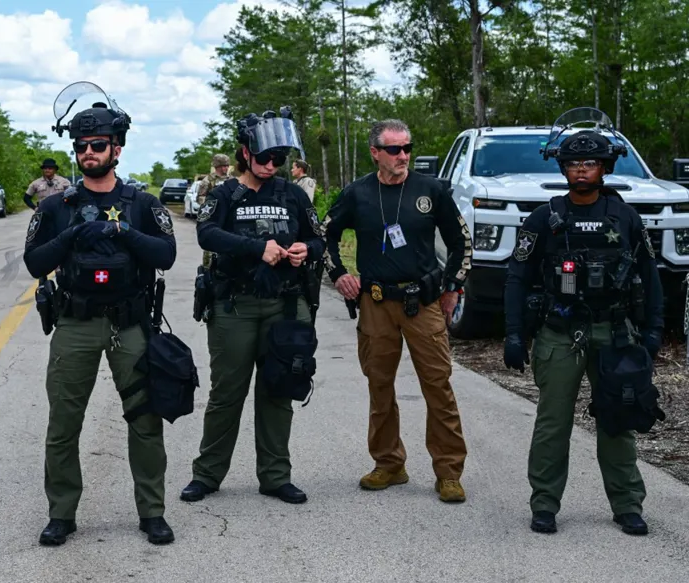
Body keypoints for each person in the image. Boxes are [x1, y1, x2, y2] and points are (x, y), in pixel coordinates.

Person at [24, 97, 178, 546]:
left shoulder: (141, 204)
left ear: (117, 149)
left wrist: (123, 232)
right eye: (81, 146)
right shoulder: (56, 207)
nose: (88, 153)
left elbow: (166, 254)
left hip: (129, 324)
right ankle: (62, 514)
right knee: (64, 424)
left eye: (97, 145)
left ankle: (152, 511)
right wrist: (71, 235)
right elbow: (35, 263)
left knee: (145, 420)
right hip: (75, 324)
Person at [502, 119, 665, 536]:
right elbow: (517, 277)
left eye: (590, 163)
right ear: (562, 168)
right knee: (553, 423)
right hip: (559, 333)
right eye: (573, 162)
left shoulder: (626, 217)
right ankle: (544, 505)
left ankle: (628, 504)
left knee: (618, 419)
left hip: (615, 333)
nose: (581, 170)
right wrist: (515, 334)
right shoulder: (544, 217)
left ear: (605, 168)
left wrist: (652, 333)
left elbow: (651, 274)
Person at [323, 119, 472, 503]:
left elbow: (461, 243)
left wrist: (453, 287)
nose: (403, 156)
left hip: (423, 304)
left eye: (407, 148)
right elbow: (325, 234)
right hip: (375, 304)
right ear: (375, 153)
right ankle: (389, 463)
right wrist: (339, 274)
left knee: (438, 387)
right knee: (379, 386)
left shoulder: (431, 190)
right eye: (394, 149)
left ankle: (449, 471)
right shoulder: (357, 193)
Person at [181, 107, 324, 505]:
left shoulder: (292, 194)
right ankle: (207, 475)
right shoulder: (225, 194)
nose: (271, 165)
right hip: (235, 306)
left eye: (279, 159)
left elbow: (318, 239)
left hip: (284, 306)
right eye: (264, 158)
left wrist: (303, 250)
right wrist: (257, 248)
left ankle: (276, 476)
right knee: (227, 393)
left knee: (278, 390)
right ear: (245, 152)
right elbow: (207, 235)